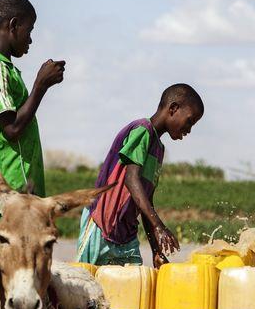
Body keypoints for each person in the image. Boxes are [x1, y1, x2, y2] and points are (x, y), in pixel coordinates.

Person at [0, 0, 65, 243]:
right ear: (13, 26)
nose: (31, 40)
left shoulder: (7, 70)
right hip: (6, 196)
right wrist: (40, 86)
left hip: (17, 196)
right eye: (29, 30)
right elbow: (11, 129)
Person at [77, 83, 204, 268]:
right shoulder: (142, 130)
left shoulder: (158, 150)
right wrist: (160, 226)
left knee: (135, 289)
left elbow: (145, 201)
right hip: (100, 225)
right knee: (84, 285)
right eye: (190, 121)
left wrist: (155, 250)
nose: (189, 129)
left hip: (126, 237)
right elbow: (131, 179)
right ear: (173, 108)